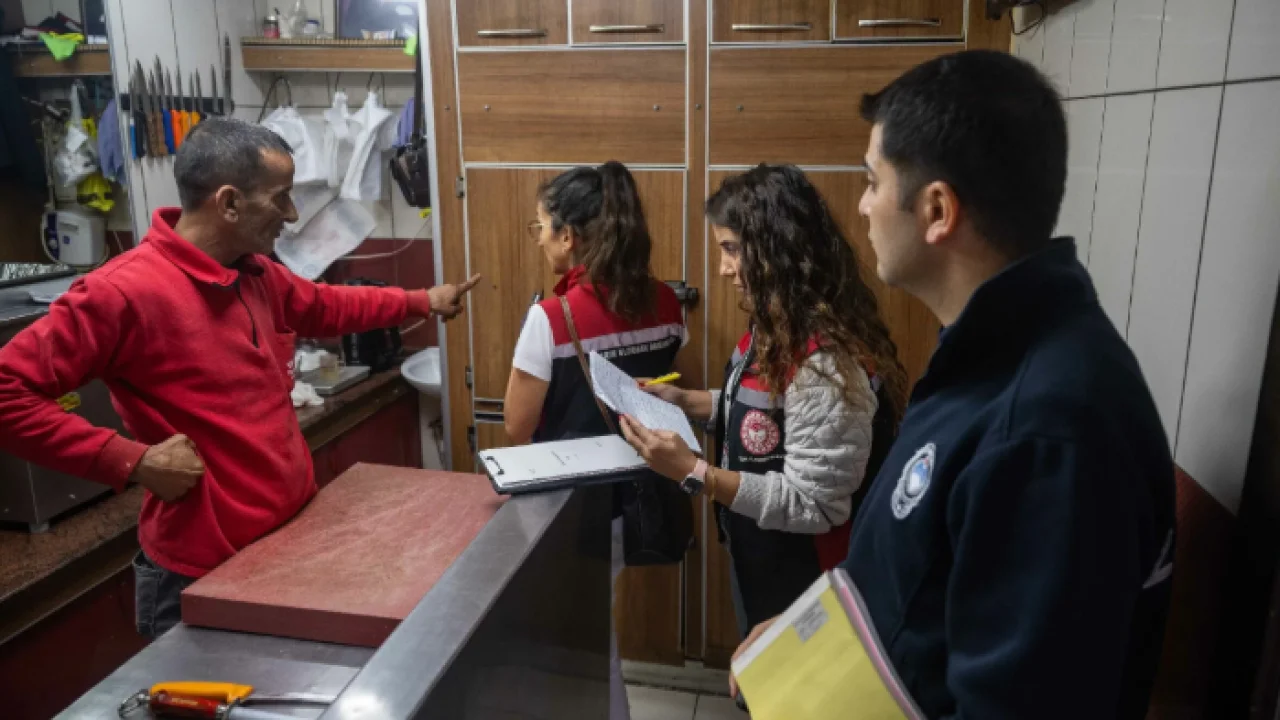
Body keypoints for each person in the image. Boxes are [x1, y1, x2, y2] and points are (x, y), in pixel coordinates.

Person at [730, 51, 1176, 719]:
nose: (863, 206)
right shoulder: (988, 353)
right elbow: (921, 575)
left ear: (937, 209)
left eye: (872, 181)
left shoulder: (1046, 429)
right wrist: (809, 636)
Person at [0, 118, 479, 639]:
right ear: (228, 203)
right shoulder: (122, 292)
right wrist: (132, 461)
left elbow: (324, 305)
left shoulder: (254, 273)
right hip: (200, 572)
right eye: (280, 198)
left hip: (284, 544)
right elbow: (8, 392)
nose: (291, 214)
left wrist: (421, 301)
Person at [618, 164, 907, 637]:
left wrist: (694, 472)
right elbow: (765, 416)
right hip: (762, 554)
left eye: (732, 249)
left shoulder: (825, 364)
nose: (723, 269)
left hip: (809, 577)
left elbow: (815, 505)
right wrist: (685, 400)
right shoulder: (774, 327)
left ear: (779, 247)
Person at [503, 160, 686, 720]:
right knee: (593, 625)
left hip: (577, 507)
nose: (539, 239)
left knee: (583, 639)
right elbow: (670, 389)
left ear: (569, 236)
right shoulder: (667, 302)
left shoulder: (551, 317)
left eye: (541, 227)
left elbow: (516, 426)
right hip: (645, 493)